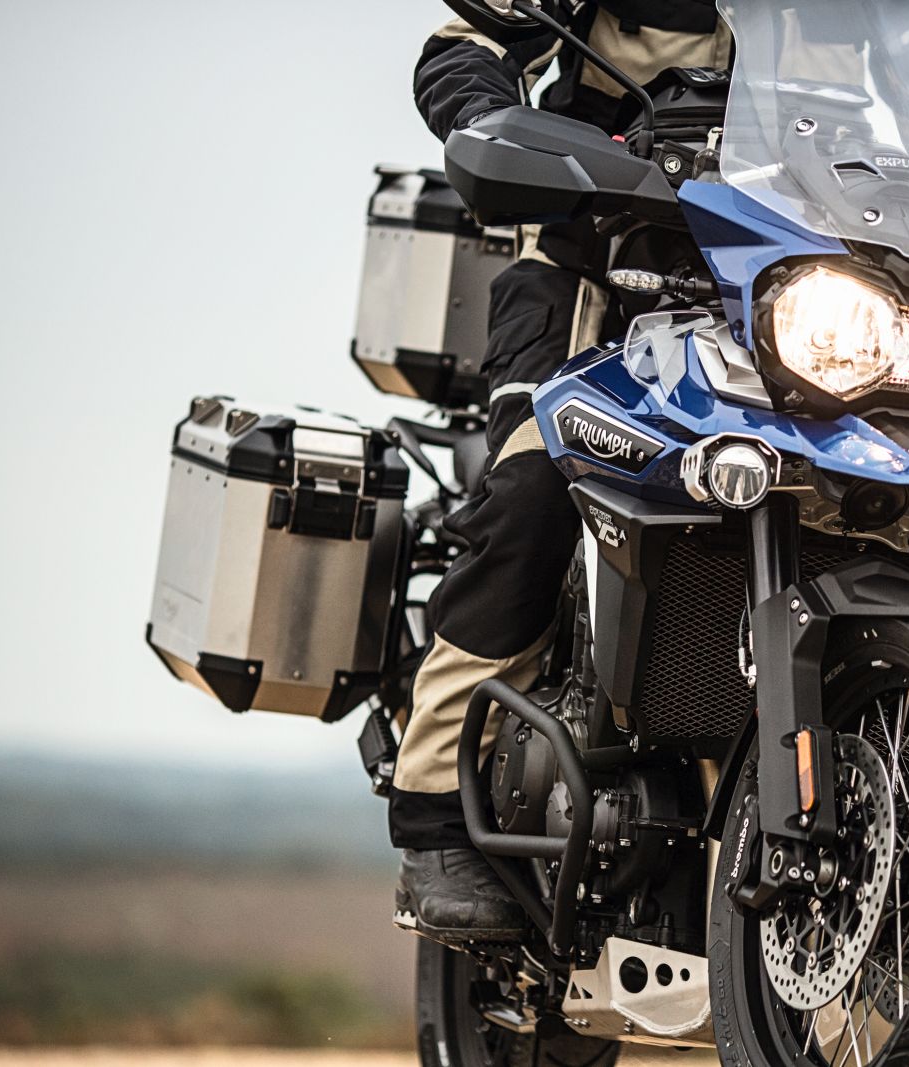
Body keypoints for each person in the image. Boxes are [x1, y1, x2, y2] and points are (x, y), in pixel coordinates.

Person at [389, 1, 733, 944]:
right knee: (541, 484)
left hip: (779, 289)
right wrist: (501, 127)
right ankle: (434, 812)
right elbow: (464, 45)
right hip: (597, 272)